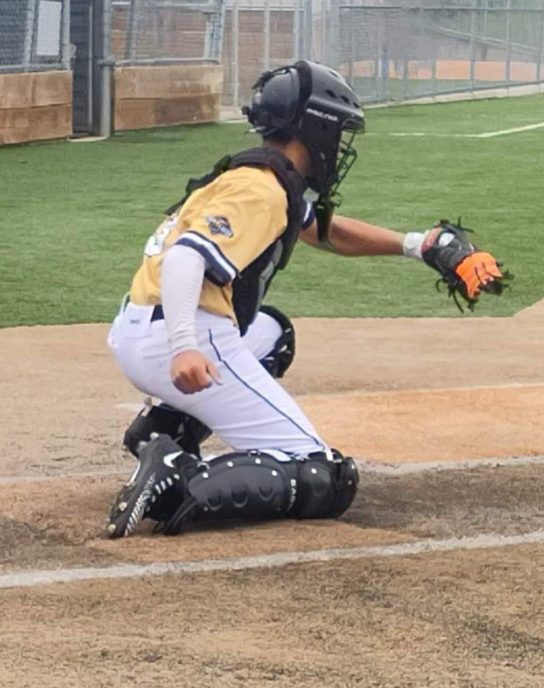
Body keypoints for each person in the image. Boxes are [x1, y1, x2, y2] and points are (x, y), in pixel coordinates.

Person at [105, 60, 506, 538]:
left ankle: (163, 434)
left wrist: (417, 245)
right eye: (336, 132)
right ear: (313, 129)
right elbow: (185, 259)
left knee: (274, 334)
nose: (338, 146)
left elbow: (323, 231)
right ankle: (177, 475)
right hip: (181, 333)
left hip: (141, 327)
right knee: (322, 476)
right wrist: (186, 344)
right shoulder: (261, 190)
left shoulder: (258, 177)